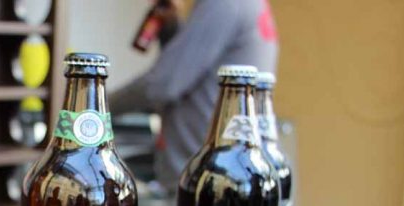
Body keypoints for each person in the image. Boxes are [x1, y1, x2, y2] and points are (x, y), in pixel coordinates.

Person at [112, 0, 280, 190]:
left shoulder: (223, 4)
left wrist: (99, 106)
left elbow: (163, 83)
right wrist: (171, 30)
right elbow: (191, 69)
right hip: (228, 166)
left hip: (206, 173)